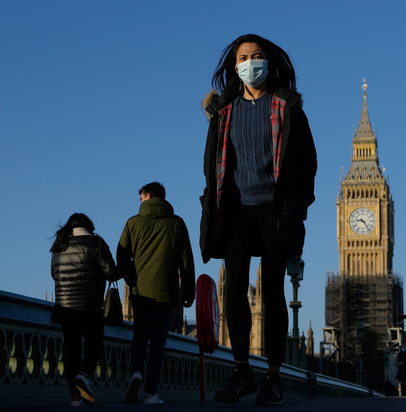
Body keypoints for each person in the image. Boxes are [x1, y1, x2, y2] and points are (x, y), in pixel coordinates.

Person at [199, 34, 317, 405]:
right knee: (233, 288)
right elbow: (212, 163)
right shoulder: (224, 112)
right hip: (236, 210)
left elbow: (307, 164)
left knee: (272, 293)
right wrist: (213, 202)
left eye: (257, 55)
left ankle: (273, 376)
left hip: (275, 209)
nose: (251, 62)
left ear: (269, 61)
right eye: (244, 57)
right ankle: (241, 371)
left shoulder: (287, 107)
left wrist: (297, 207)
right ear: (235, 66)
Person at [117, 182, 195, 404]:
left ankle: (135, 373)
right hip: (166, 292)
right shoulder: (177, 223)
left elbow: (121, 257)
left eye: (140, 196)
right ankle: (151, 393)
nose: (139, 200)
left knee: (139, 335)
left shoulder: (132, 223)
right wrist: (189, 292)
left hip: (140, 292)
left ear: (148, 195)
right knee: (159, 341)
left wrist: (131, 279)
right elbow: (186, 263)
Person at [50, 213, 119, 407]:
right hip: (90, 307)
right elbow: (110, 272)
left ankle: (75, 397)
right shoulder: (96, 243)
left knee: (71, 350)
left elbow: (54, 273)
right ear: (90, 227)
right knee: (94, 346)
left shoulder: (59, 246)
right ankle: (84, 375)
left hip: (65, 308)